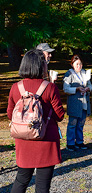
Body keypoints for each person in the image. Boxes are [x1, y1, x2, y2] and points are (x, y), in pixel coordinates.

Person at [7, 49, 65, 193]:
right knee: (42, 185)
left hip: (24, 140)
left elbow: (10, 114)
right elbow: (60, 115)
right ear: (41, 66)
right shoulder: (50, 87)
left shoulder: (16, 87)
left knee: (21, 180)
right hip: (46, 141)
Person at [63, 55, 92, 151]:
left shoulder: (85, 73)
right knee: (72, 124)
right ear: (72, 64)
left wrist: (88, 88)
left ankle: (79, 141)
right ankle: (70, 143)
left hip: (84, 102)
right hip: (75, 103)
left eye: (80, 64)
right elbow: (66, 89)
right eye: (76, 64)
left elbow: (90, 85)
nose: (79, 66)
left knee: (81, 123)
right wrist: (76, 88)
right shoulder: (69, 74)